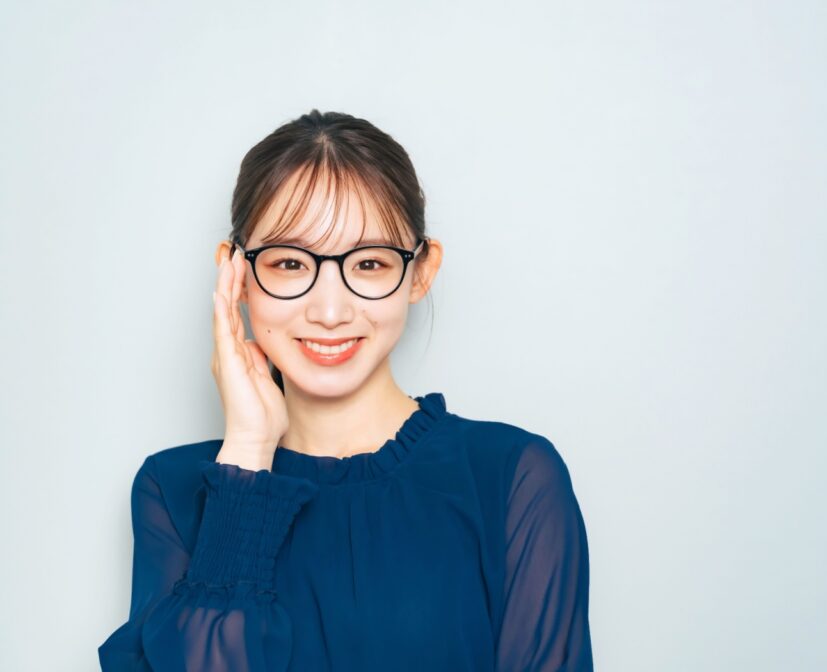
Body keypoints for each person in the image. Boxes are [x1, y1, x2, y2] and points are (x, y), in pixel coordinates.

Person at [97, 110, 593, 671]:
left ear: (421, 271)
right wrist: (247, 457)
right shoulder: (173, 491)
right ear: (234, 273)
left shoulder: (509, 477)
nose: (330, 311)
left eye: (370, 263)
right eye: (288, 262)